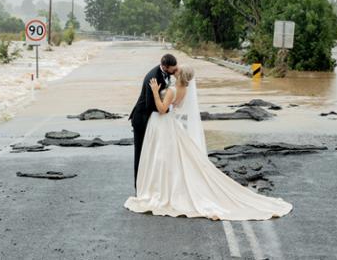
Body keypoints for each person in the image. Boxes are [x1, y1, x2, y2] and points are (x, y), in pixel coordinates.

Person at [125, 65, 293, 220]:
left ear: (180, 75)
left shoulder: (173, 90)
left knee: (163, 158)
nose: (175, 70)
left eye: (177, 70)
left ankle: (161, 190)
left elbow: (162, 109)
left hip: (166, 124)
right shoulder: (185, 89)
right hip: (173, 126)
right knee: (175, 159)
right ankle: (166, 187)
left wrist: (155, 91)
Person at [129, 54, 178, 187]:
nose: (175, 71)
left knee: (151, 153)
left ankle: (150, 183)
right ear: (165, 67)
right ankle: (138, 186)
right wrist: (168, 108)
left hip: (152, 118)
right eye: (173, 69)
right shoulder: (153, 77)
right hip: (142, 118)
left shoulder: (166, 72)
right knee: (140, 154)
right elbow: (150, 104)